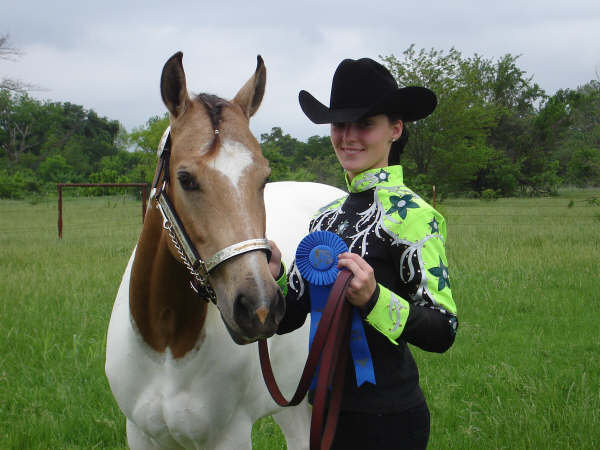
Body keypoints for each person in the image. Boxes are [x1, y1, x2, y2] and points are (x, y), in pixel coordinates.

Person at [268, 57, 458, 450]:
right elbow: (291, 316)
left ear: (395, 129)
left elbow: (443, 330)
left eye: (364, 124)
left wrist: (374, 300)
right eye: (339, 124)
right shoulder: (325, 218)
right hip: (322, 414)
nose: (348, 137)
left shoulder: (416, 218)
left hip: (389, 421)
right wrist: (273, 277)